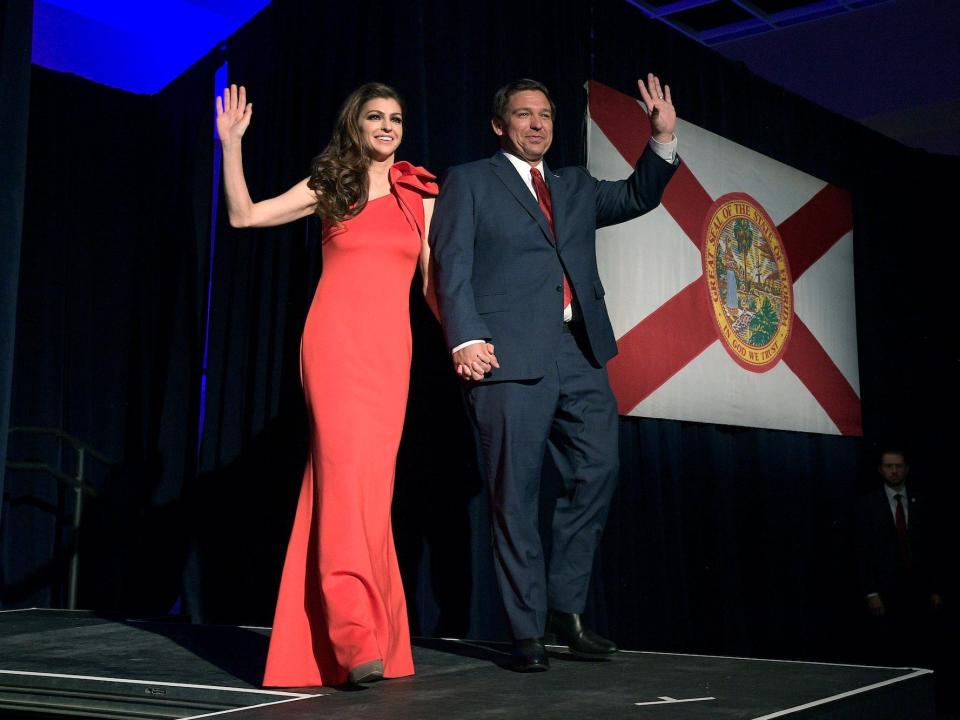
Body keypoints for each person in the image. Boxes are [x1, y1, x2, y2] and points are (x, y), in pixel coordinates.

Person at [428, 75, 679, 671]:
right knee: (514, 494)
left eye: (545, 115)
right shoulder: (470, 181)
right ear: (499, 125)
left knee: (599, 467)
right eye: (523, 114)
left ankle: (565, 611)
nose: (537, 124)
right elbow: (451, 263)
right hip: (505, 355)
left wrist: (662, 138)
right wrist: (464, 335)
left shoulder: (574, 185)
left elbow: (640, 195)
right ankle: (524, 630)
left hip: (578, 350)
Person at [215, 82, 438, 686]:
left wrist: (474, 341)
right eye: (376, 117)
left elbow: (436, 289)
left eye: (396, 118)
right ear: (356, 125)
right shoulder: (330, 187)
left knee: (366, 490)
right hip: (334, 347)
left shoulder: (421, 197)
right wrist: (231, 147)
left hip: (391, 355)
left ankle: (376, 636)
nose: (388, 127)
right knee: (344, 483)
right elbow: (244, 216)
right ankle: (353, 636)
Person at [854, 447, 943, 667]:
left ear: (907, 469)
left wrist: (935, 588)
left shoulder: (921, 502)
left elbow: (932, 549)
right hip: (885, 590)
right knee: (890, 650)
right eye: (889, 466)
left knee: (922, 649)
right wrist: (870, 592)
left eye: (898, 466)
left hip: (918, 588)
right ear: (880, 470)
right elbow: (862, 552)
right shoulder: (867, 505)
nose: (894, 471)